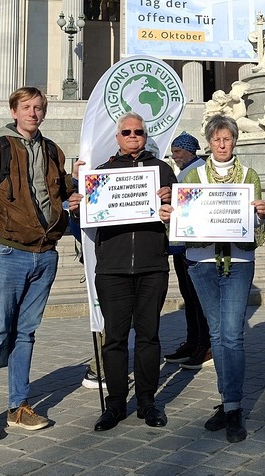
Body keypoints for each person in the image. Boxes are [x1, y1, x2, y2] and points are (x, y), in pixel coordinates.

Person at [0, 86, 82, 443]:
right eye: (27, 107)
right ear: (14, 111)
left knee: (26, 334)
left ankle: (18, 407)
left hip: (44, 254)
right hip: (6, 253)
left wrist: (76, 191)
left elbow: (61, 193)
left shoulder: (51, 150)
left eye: (39, 107)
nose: (33, 113)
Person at [179, 115, 265, 443]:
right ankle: (227, 402)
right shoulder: (194, 174)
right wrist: (169, 218)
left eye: (227, 138)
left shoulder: (249, 175)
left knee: (232, 335)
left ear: (234, 141)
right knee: (217, 336)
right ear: (209, 141)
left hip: (239, 261)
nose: (221, 144)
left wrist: (260, 216)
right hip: (201, 262)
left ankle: (233, 408)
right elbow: (182, 224)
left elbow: (257, 235)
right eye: (216, 138)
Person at [92, 113, 177, 432]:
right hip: (112, 268)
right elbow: (83, 222)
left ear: (145, 136)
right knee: (113, 338)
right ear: (117, 138)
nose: (132, 136)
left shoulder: (163, 170)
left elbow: (181, 220)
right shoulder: (101, 174)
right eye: (126, 132)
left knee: (149, 336)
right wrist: (77, 202)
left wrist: (172, 207)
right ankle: (114, 404)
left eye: (138, 132)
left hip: (152, 265)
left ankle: (147, 401)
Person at [163, 133, 212, 369]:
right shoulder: (185, 172)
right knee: (189, 298)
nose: (175, 156)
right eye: (173, 151)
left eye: (178, 151)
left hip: (192, 246)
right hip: (181, 246)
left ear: (191, 151)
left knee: (196, 298)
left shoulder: (198, 172)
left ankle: (205, 344)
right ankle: (194, 342)